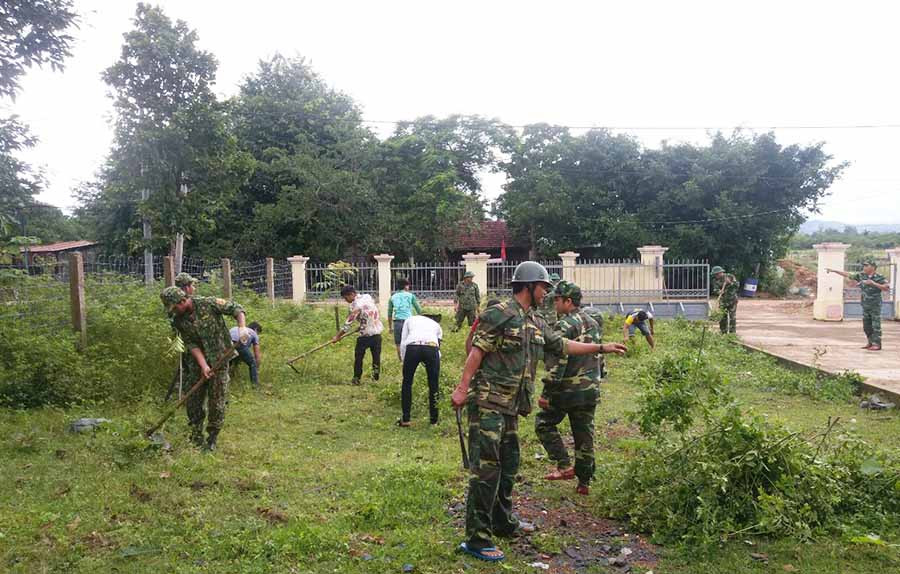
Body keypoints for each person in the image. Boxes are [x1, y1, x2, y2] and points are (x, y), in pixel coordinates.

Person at [450, 262, 627, 562]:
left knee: (509, 465)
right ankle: (477, 539)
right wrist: (461, 387)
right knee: (486, 470)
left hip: (511, 407)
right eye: (543, 287)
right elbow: (476, 351)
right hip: (488, 402)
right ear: (528, 286)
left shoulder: (534, 320)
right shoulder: (499, 312)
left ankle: (502, 522)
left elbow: (563, 346)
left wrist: (601, 348)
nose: (547, 292)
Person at [160, 286, 248, 451]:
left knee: (217, 400)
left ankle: (212, 438)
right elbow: (191, 344)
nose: (174, 311)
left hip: (220, 359)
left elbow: (237, 309)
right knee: (193, 400)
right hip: (196, 364)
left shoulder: (209, 303)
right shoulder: (178, 320)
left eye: (175, 307)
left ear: (182, 301)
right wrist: (203, 365)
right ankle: (195, 435)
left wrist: (242, 327)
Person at [535, 281, 603, 496]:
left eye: (557, 299)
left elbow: (558, 361)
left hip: (567, 390)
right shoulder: (594, 322)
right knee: (584, 435)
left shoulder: (564, 325)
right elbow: (598, 355)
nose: (554, 302)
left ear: (568, 301)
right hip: (590, 388)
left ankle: (564, 464)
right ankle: (584, 483)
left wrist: (547, 392)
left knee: (544, 424)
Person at [827, 260, 890, 350]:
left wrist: (873, 283)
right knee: (866, 325)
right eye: (863, 266)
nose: (864, 267)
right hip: (865, 305)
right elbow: (848, 274)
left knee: (875, 325)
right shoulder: (861, 275)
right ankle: (870, 342)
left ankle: (877, 344)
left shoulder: (879, 277)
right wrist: (834, 271)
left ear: (873, 267)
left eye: (866, 266)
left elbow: (886, 288)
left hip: (875, 305)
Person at [331, 285, 384, 385]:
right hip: (377, 333)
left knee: (358, 357)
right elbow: (369, 313)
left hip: (365, 336)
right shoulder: (367, 297)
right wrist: (363, 324)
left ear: (351, 294)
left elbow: (348, 324)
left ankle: (356, 379)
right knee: (376, 357)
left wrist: (337, 336)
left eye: (346, 298)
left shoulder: (356, 306)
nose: (345, 300)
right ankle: (375, 378)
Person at [398, 314, 443, 426]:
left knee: (407, 383)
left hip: (413, 347)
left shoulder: (409, 319)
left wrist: (404, 360)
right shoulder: (437, 325)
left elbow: (403, 342)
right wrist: (433, 362)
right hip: (431, 348)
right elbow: (438, 347)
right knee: (434, 385)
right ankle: (434, 420)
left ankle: (406, 419)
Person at [388, 278, 423, 358]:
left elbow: (389, 313)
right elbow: (419, 310)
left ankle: (401, 361)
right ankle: (410, 359)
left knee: (398, 343)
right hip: (409, 322)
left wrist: (390, 327)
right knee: (410, 341)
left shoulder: (392, 297)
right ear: (406, 286)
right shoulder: (411, 296)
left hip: (397, 322)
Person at [230, 321, 262, 387]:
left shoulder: (236, 328)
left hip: (227, 343)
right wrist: (256, 366)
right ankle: (255, 385)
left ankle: (231, 376)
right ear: (255, 329)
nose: (257, 334)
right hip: (239, 344)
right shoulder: (253, 333)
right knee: (252, 363)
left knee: (231, 360)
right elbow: (257, 353)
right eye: (258, 333)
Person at [710, 266, 739, 334]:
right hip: (723, 301)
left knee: (732, 318)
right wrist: (719, 291)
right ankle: (723, 332)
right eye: (715, 275)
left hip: (732, 300)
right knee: (722, 318)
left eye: (716, 274)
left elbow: (737, 285)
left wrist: (730, 283)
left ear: (720, 273)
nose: (715, 276)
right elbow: (715, 289)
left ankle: (732, 333)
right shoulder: (715, 280)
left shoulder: (730, 276)